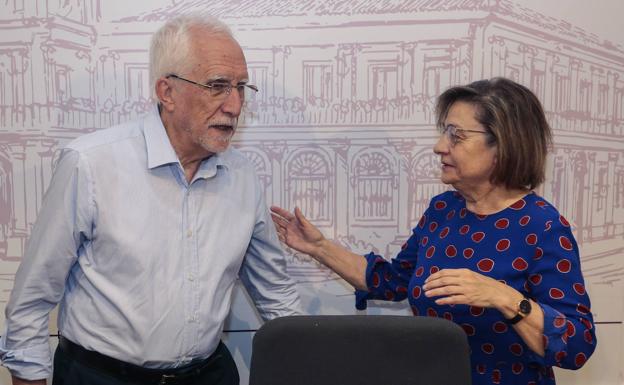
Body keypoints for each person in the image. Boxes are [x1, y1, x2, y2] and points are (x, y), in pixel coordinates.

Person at [0, 14, 301, 385]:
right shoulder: (91, 164)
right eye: (218, 86)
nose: (235, 105)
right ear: (167, 92)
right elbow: (33, 297)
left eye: (241, 87)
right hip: (101, 377)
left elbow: (276, 295)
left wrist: (310, 361)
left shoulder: (242, 176)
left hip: (208, 375)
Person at [271, 77, 596, 385]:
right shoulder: (444, 210)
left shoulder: (543, 226)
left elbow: (576, 344)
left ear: (503, 144)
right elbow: (393, 281)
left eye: (456, 135)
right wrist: (319, 248)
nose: (440, 146)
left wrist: (503, 297)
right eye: (444, 132)